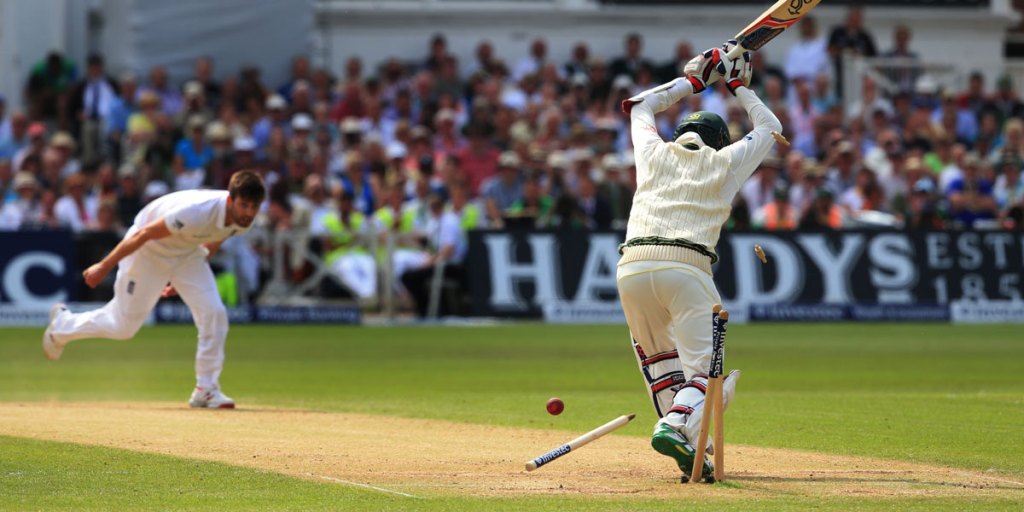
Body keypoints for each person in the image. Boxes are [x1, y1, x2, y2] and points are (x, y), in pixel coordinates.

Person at [616, 41, 781, 481]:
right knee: (709, 378)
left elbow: (638, 107)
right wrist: (737, 86)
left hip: (631, 268)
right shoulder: (726, 162)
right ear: (720, 141)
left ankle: (690, 448)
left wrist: (690, 82)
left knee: (661, 367)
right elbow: (770, 127)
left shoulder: (652, 152)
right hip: (687, 269)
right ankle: (674, 427)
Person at [42, 171, 267, 409]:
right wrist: (103, 266)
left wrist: (188, 280)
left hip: (187, 253)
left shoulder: (244, 220)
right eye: (244, 205)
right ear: (231, 200)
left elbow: (217, 237)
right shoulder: (196, 211)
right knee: (123, 327)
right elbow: (144, 233)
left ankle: (206, 389)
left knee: (214, 313)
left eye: (254, 207)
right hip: (148, 251)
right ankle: (63, 326)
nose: (249, 213)